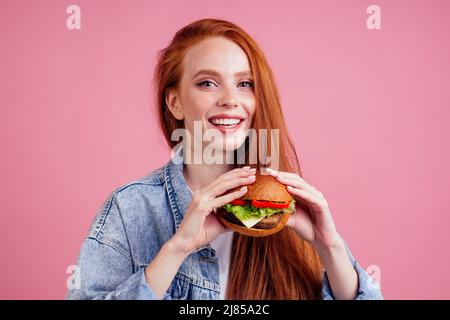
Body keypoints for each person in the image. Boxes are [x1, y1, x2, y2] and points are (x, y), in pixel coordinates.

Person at [66, 18, 383, 300]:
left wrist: (328, 247)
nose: (230, 100)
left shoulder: (287, 208)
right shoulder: (130, 209)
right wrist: (176, 250)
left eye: (245, 84)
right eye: (207, 83)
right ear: (175, 102)